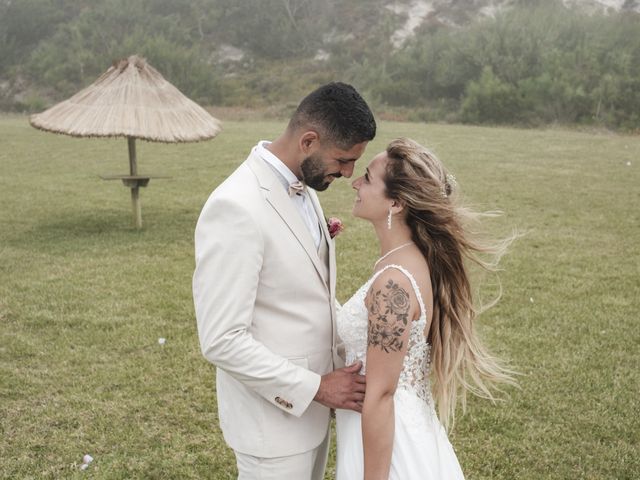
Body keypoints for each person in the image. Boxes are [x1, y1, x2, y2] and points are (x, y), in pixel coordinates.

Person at [192, 82, 376, 479]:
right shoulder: (235, 206)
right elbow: (222, 339)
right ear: (309, 140)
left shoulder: (305, 186)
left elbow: (308, 293)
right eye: (344, 160)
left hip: (313, 419)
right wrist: (316, 388)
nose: (348, 174)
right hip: (272, 427)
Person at [335, 138, 516, 479]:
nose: (356, 183)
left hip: (390, 446)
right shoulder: (407, 260)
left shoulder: (394, 283)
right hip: (404, 426)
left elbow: (382, 393)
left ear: (396, 203)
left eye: (368, 178)